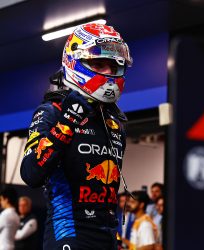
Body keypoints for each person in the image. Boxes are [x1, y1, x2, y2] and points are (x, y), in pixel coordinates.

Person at [20, 22, 133, 250]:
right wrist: (68, 122)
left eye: (113, 66)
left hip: (107, 236)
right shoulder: (52, 112)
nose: (109, 72)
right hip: (68, 233)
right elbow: (30, 173)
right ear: (74, 63)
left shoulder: (114, 123)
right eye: (99, 64)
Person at [0, 186, 20, 250]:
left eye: (1, 199)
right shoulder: (16, 216)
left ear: (6, 200)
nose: (1, 202)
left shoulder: (5, 214)